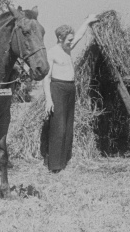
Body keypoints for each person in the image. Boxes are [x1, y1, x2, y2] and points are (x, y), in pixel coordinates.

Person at [41, 14, 100, 173]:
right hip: (57, 88)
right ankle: (54, 165)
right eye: (68, 40)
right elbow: (46, 78)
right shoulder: (52, 52)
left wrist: (87, 21)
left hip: (70, 88)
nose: (71, 42)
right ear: (60, 38)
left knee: (67, 126)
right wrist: (48, 100)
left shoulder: (67, 48)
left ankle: (64, 161)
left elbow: (79, 36)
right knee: (58, 127)